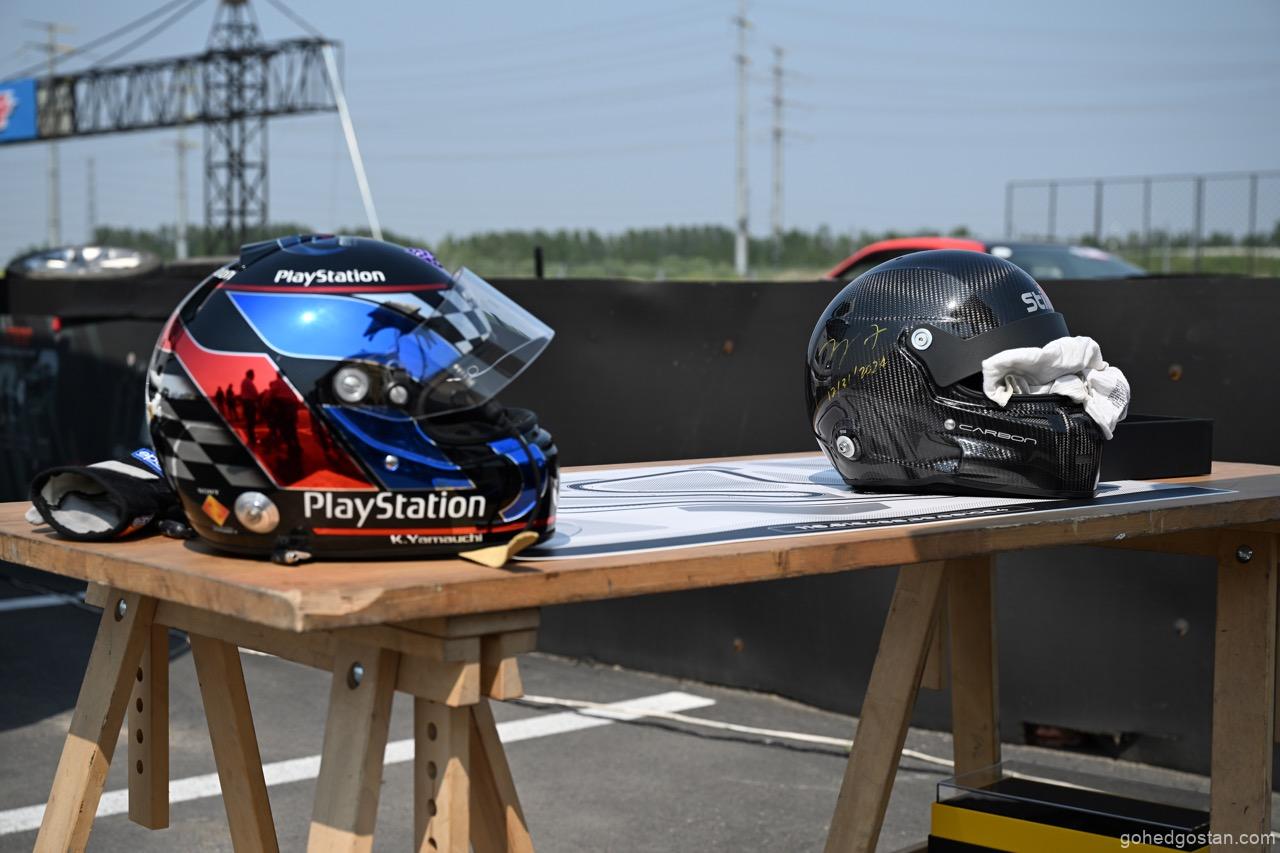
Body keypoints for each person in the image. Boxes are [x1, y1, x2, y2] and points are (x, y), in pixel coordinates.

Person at [240, 370, 259, 445]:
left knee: (249, 420)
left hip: (246, 402)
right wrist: (257, 398)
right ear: (250, 375)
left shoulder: (244, 381)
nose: (254, 376)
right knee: (251, 420)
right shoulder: (249, 382)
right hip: (249, 402)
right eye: (253, 375)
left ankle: (251, 437)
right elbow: (254, 392)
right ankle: (252, 438)